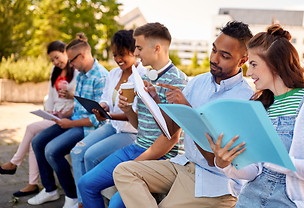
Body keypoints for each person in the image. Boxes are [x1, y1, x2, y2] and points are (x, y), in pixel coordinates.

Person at [113, 21, 256, 207]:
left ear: (243, 61)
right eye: (214, 50)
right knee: (123, 171)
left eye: (225, 56)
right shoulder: (198, 82)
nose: (214, 58)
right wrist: (156, 101)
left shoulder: (245, 100)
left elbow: (213, 159)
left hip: (216, 181)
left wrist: (189, 111)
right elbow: (170, 130)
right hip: (185, 164)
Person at [208, 24, 304, 208]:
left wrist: (277, 160)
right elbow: (253, 170)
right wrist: (227, 163)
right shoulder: (260, 106)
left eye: (253, 64)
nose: (249, 72)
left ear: (275, 65)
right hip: (247, 202)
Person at [77, 22, 188, 208]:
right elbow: (140, 126)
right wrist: (128, 110)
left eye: (138, 48)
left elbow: (172, 138)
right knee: (85, 184)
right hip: (137, 147)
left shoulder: (177, 80)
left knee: (115, 203)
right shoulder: (143, 76)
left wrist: (134, 164)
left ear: (157, 48)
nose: (135, 53)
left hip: (161, 157)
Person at [28, 33, 109, 208]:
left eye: (72, 60)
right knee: (37, 141)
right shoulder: (81, 73)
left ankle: (72, 196)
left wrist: (70, 123)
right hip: (73, 120)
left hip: (86, 127)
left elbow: (97, 118)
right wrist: (63, 115)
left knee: (51, 151)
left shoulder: (101, 77)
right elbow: (80, 105)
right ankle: (50, 190)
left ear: (83, 56)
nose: (70, 64)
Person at [70, 29, 147, 208]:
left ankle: (91, 197)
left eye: (122, 55)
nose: (118, 59)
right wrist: (103, 107)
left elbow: (134, 114)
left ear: (134, 51)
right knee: (79, 150)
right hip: (112, 125)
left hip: (130, 132)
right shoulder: (113, 74)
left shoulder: (142, 77)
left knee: (90, 155)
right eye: (115, 55)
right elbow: (105, 97)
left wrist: (108, 114)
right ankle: (85, 200)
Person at [0, 40, 78, 197]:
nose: (56, 62)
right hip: (54, 114)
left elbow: (79, 100)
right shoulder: (54, 70)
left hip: (67, 117)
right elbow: (50, 95)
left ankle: (15, 163)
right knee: (34, 139)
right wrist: (48, 110)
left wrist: (69, 97)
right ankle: (33, 184)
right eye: (53, 60)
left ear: (65, 52)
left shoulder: (76, 71)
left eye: (57, 57)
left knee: (31, 129)